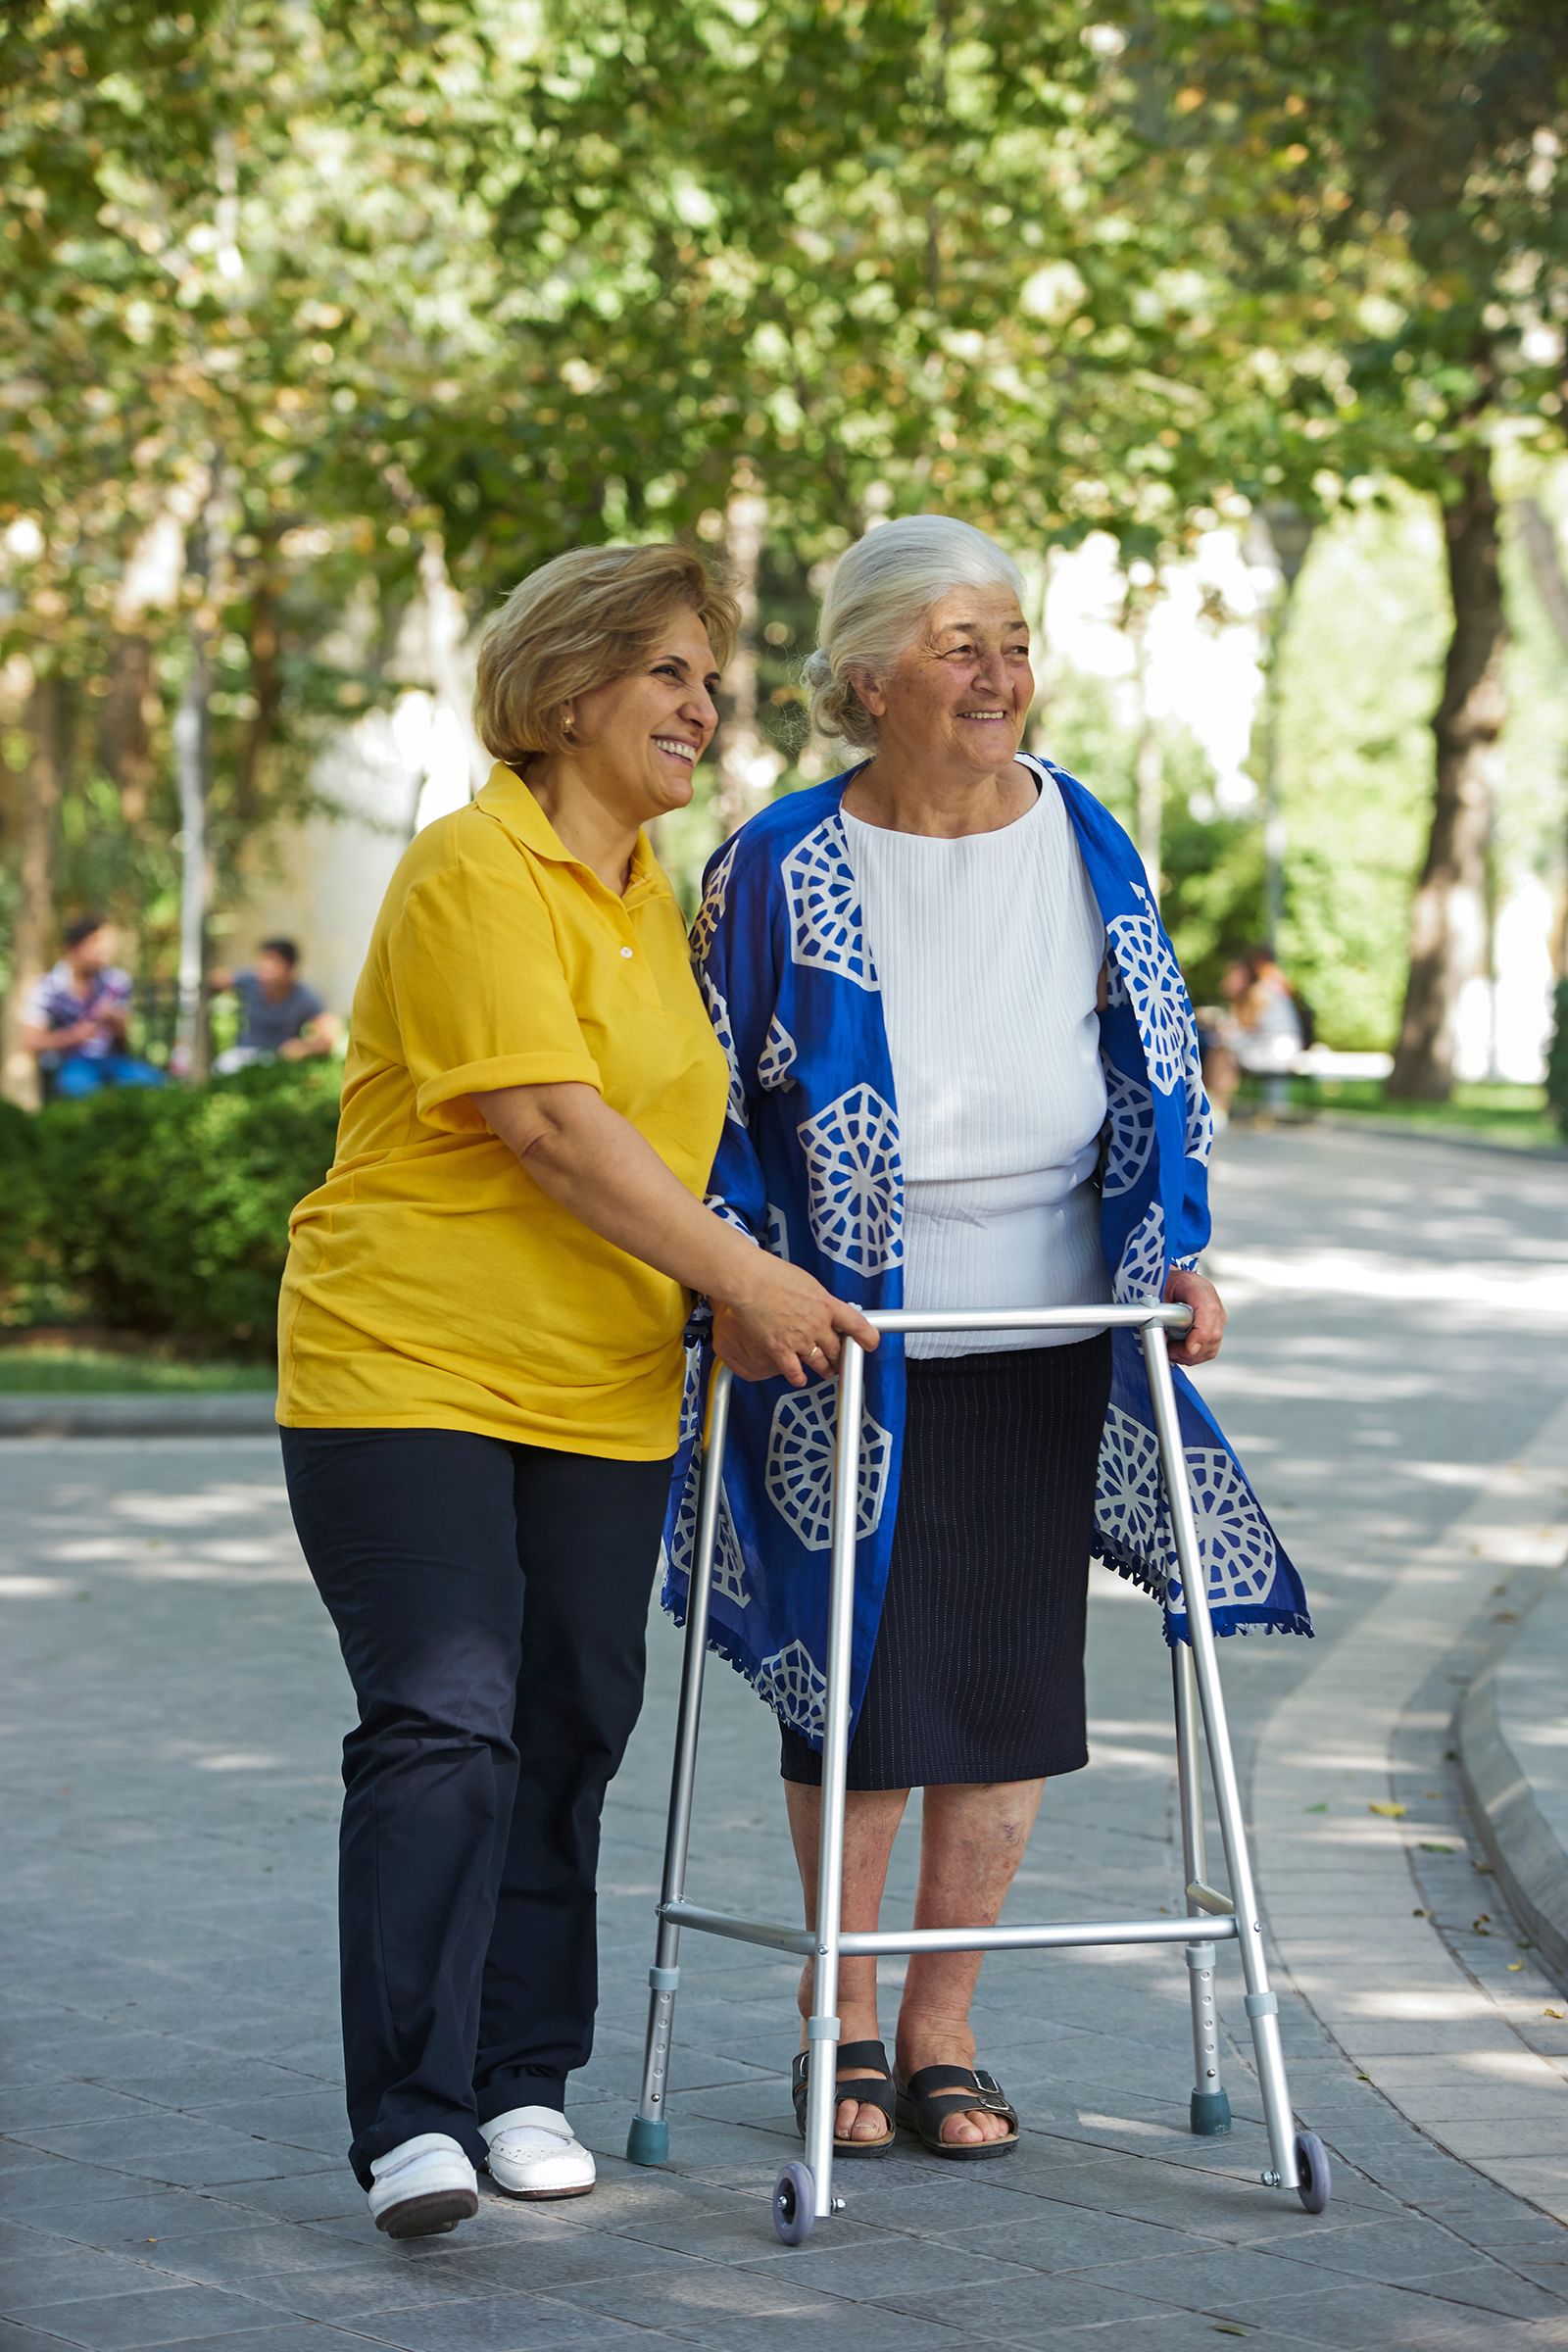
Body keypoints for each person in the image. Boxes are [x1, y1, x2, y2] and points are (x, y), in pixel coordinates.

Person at [663, 514, 1310, 2164]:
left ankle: (946, 2024)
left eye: (1012, 642)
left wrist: (1185, 1258)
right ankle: (843, 2018)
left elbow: (1159, 1072)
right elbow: (700, 1093)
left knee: (1012, 1685)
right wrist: (739, 1277)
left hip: (1053, 1318)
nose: (999, 673)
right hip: (841, 1327)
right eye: (961, 645)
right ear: (867, 676)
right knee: (859, 1686)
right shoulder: (777, 858)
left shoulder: (1089, 838)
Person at [275, 543, 875, 2241]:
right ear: (563, 695)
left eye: (710, 679)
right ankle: (409, 2117)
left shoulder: (650, 914)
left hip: (604, 1391)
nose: (706, 708)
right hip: (410, 1366)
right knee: (446, 1724)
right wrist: (740, 1281)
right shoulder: (478, 867)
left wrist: (763, 1280)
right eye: (671, 673)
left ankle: (522, 2076)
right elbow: (543, 1124)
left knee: (569, 1730)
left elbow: (693, 1141)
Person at [19, 915, 164, 1099]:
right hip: (71, 1064)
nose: (103, 950)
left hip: (114, 1060)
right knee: (80, 1088)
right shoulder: (49, 987)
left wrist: (114, 1019)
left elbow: (127, 1035)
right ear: (74, 948)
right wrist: (74, 1036)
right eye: (95, 943)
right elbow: (31, 1040)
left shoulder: (116, 981)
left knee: (154, 1083)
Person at [1200, 947, 1306, 1126]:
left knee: (1222, 1053)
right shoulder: (1260, 993)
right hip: (1275, 1048)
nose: (1225, 981)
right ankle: (1213, 1106)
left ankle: (1217, 1108)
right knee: (1222, 1050)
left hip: (1276, 1051)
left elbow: (1242, 1031)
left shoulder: (1258, 995)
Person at [211, 938, 340, 1074]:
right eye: (262, 962)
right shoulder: (250, 981)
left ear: (289, 968)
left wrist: (305, 1048)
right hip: (243, 1054)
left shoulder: (304, 997)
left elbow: (329, 1033)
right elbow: (217, 979)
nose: (264, 969)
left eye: (272, 963)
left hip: (277, 1059)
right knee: (223, 1066)